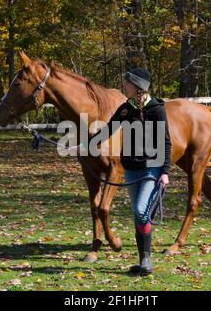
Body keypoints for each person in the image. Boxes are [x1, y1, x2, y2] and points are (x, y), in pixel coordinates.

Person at [70, 68, 171, 275]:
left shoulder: (156, 109)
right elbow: (107, 130)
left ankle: (147, 261)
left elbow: (165, 142)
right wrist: (85, 146)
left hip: (151, 168)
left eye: (127, 83)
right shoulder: (126, 109)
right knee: (138, 215)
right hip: (131, 170)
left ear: (137, 86)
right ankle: (144, 262)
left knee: (141, 211)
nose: (124, 86)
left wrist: (165, 172)